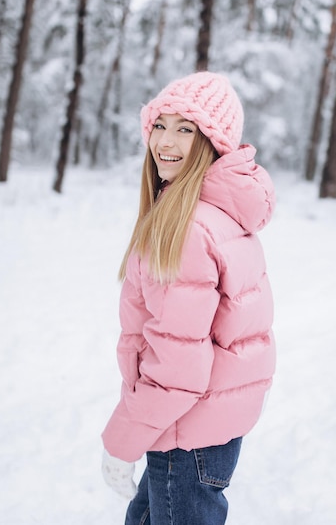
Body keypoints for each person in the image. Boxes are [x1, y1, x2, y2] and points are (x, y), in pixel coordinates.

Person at [101, 71, 276, 525]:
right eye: (161, 124)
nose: (166, 141)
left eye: (186, 129)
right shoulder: (219, 212)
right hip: (204, 430)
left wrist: (122, 442)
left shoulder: (188, 228)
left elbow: (177, 368)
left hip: (185, 436)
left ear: (211, 142)